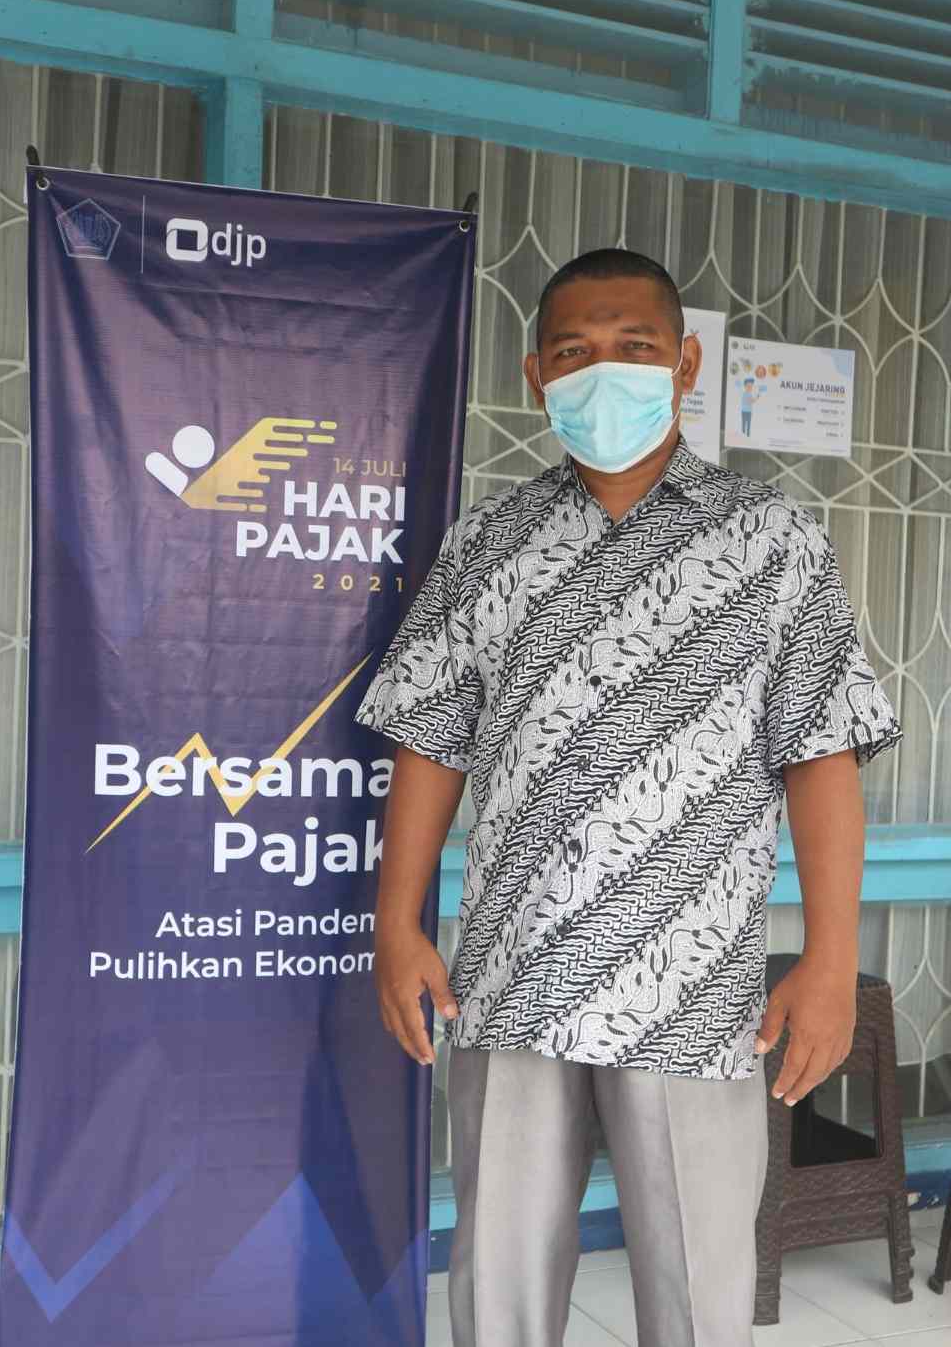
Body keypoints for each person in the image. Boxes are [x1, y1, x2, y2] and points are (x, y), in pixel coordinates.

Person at [354, 248, 902, 1347]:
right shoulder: (488, 542)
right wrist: (398, 924)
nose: (603, 371)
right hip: (513, 968)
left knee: (697, 1289)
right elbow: (428, 738)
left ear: (685, 365)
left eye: (634, 346)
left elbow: (822, 754)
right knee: (498, 1287)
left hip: (692, 981)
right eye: (574, 352)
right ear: (536, 376)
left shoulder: (773, 539)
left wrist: (830, 963)